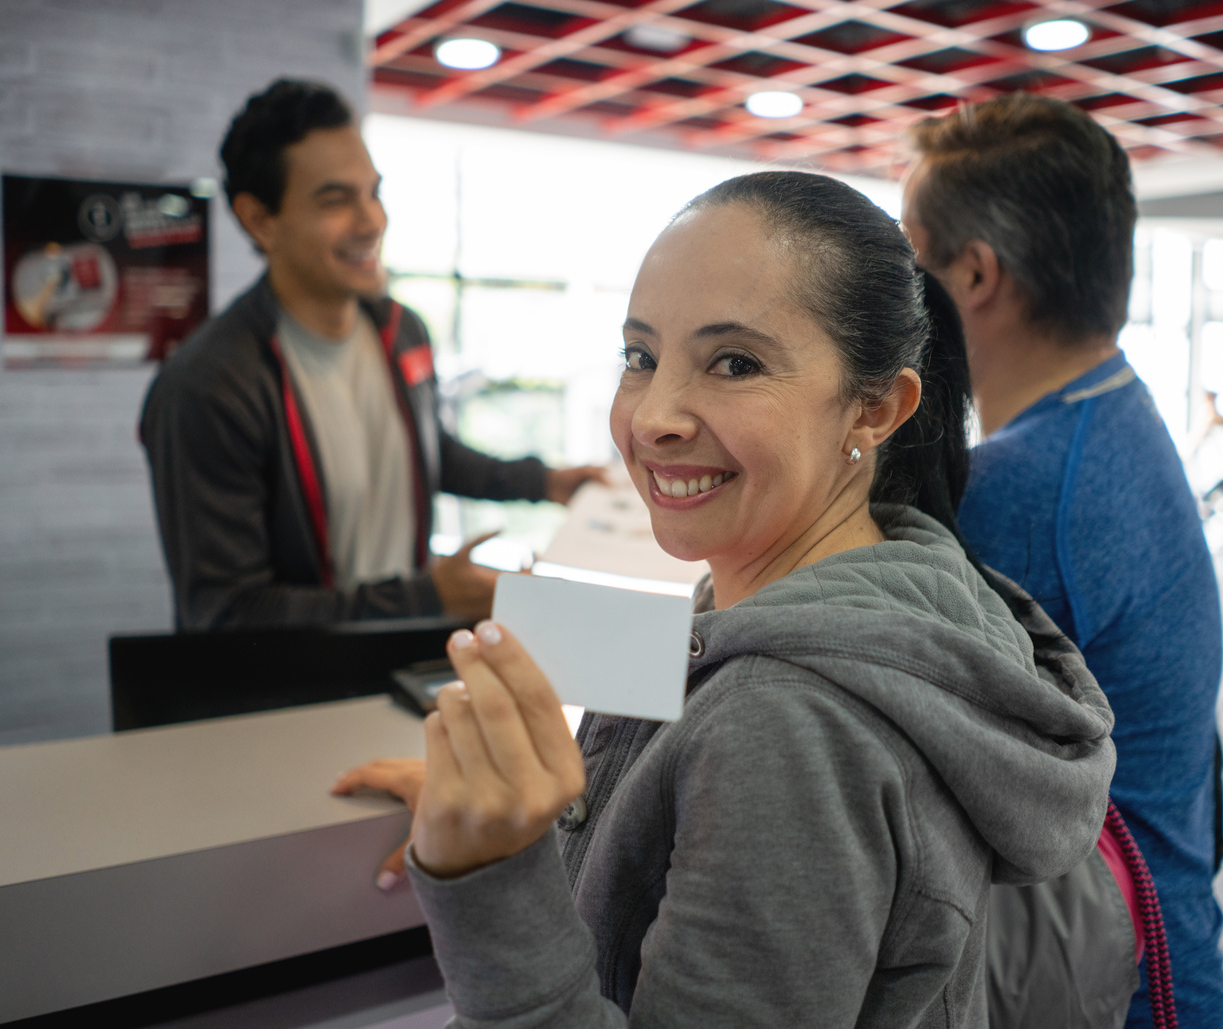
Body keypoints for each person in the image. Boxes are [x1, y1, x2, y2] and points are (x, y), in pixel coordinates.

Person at [333, 171, 1117, 1026]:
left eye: (735, 363)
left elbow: (749, 730)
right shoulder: (901, 584)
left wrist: (491, 875)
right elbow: (695, 716)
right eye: (640, 356)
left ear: (876, 407)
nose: (654, 414)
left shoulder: (786, 722)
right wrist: (499, 796)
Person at [902, 93, 1223, 1028]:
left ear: (971, 275)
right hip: (1156, 947)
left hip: (1101, 978)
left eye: (903, 252)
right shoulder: (1112, 413)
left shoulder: (1021, 487)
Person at [140, 80, 604, 629]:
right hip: (293, 697)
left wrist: (544, 483)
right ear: (260, 220)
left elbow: (424, 452)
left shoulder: (401, 330)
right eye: (336, 200)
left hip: (403, 668)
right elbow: (226, 615)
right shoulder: (209, 385)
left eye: (373, 192)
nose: (372, 222)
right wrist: (428, 598)